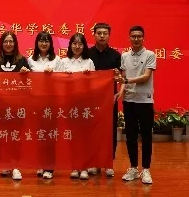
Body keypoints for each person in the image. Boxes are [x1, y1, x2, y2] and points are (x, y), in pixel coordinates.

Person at [117, 26, 156, 185]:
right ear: (129, 38)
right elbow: (123, 78)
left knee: (146, 136)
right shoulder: (124, 56)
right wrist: (120, 92)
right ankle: (133, 168)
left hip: (145, 101)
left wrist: (126, 81)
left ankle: (146, 169)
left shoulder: (150, 55)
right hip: (129, 101)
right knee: (131, 137)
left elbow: (146, 76)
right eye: (133, 36)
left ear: (143, 38)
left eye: (139, 36)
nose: (136, 39)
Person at [0, 31, 30, 181]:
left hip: (17, 105)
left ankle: (15, 166)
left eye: (11, 41)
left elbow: (30, 82)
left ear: (15, 43)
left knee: (15, 136)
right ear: (1, 44)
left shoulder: (22, 60)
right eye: (5, 41)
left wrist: (27, 73)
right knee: (3, 136)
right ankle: (7, 164)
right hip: (1, 105)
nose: (8, 44)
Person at [58, 32, 95, 180]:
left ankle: (84, 166)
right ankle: (74, 166)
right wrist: (64, 77)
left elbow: (94, 83)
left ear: (84, 46)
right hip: (69, 104)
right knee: (72, 136)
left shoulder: (89, 62)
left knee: (85, 136)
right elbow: (57, 82)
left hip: (84, 104)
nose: (77, 46)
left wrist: (88, 77)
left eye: (80, 44)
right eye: (74, 43)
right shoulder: (64, 62)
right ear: (70, 45)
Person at [87, 22, 121, 178]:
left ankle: (108, 163)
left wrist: (119, 92)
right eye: (99, 33)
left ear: (109, 35)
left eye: (105, 33)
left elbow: (122, 77)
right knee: (92, 131)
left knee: (110, 130)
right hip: (91, 100)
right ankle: (94, 162)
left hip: (109, 99)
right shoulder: (87, 54)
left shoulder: (116, 55)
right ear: (94, 35)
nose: (102, 36)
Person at [28, 31, 60, 179]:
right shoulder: (30, 60)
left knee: (50, 135)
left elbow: (63, 80)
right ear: (37, 43)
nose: (44, 43)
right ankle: (41, 164)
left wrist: (53, 74)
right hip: (36, 102)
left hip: (52, 102)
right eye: (41, 40)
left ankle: (50, 167)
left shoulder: (57, 60)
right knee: (39, 135)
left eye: (46, 41)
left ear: (50, 43)